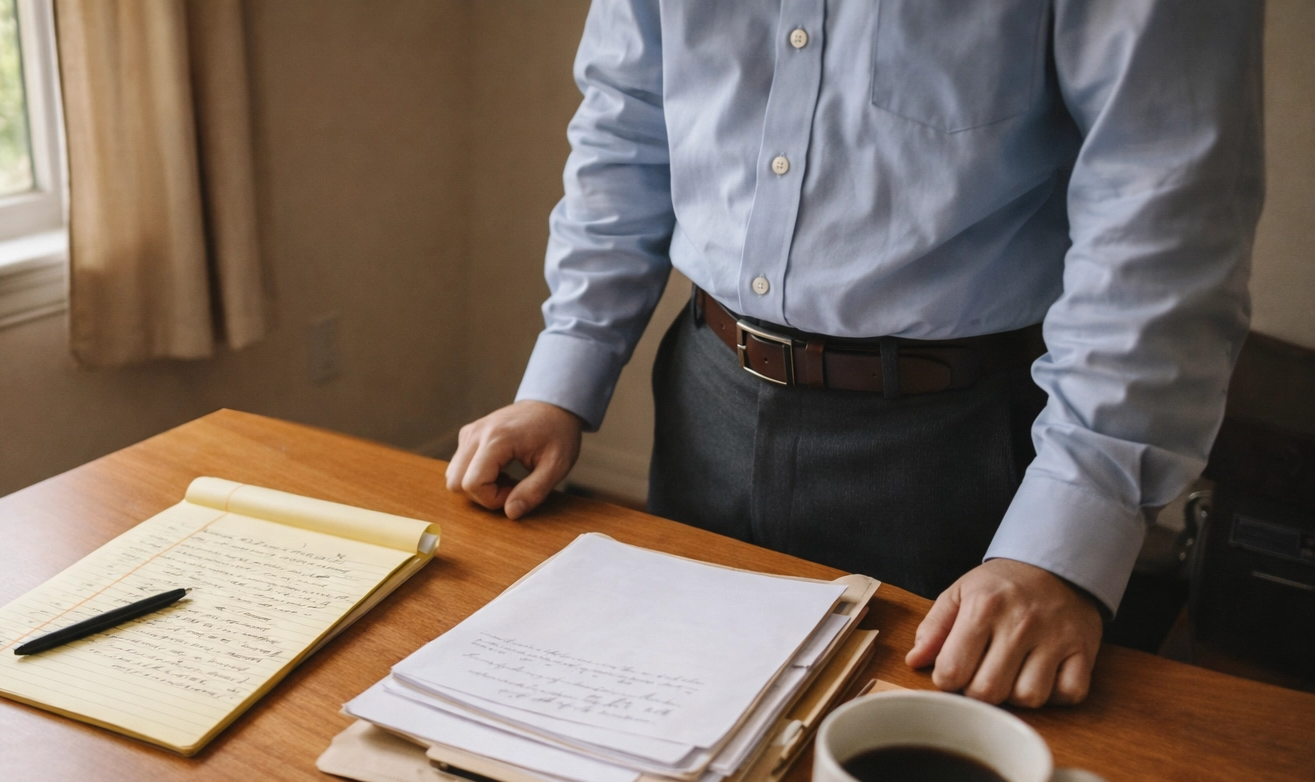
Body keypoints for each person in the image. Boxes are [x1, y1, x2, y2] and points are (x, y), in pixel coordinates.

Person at [446, 1, 1264, 708]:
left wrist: (1059, 546)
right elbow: (626, 118)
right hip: (706, 401)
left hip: (962, 447)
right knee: (665, 750)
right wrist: (565, 373)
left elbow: (1163, 209)